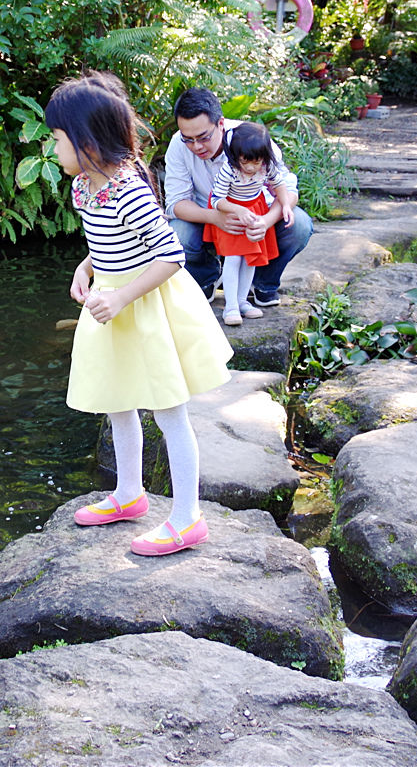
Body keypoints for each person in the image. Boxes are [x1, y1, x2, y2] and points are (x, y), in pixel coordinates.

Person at [44, 73, 232, 556]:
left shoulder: (128, 188)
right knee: (117, 401)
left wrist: (124, 295)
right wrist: (86, 268)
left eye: (58, 139)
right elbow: (104, 241)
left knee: (169, 411)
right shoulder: (84, 187)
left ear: (86, 142)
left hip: (144, 308)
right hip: (111, 304)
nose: (54, 148)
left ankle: (188, 517)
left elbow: (170, 254)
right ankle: (129, 494)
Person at [163, 87, 314, 306]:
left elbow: (288, 189)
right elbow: (175, 203)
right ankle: (206, 278)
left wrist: (266, 221)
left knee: (299, 225)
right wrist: (215, 217)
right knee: (178, 233)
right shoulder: (178, 145)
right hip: (207, 221)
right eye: (189, 139)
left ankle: (262, 283)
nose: (196, 146)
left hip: (256, 216)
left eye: (204, 137)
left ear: (220, 124)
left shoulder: (251, 138)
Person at [204, 121, 281, 326]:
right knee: (233, 258)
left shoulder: (266, 166)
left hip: (255, 210)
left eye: (256, 163)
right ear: (235, 156)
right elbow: (216, 200)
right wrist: (237, 210)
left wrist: (287, 206)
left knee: (250, 257)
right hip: (230, 210)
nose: (250, 168)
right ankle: (230, 306)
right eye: (244, 162)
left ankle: (242, 301)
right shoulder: (230, 170)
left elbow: (279, 183)